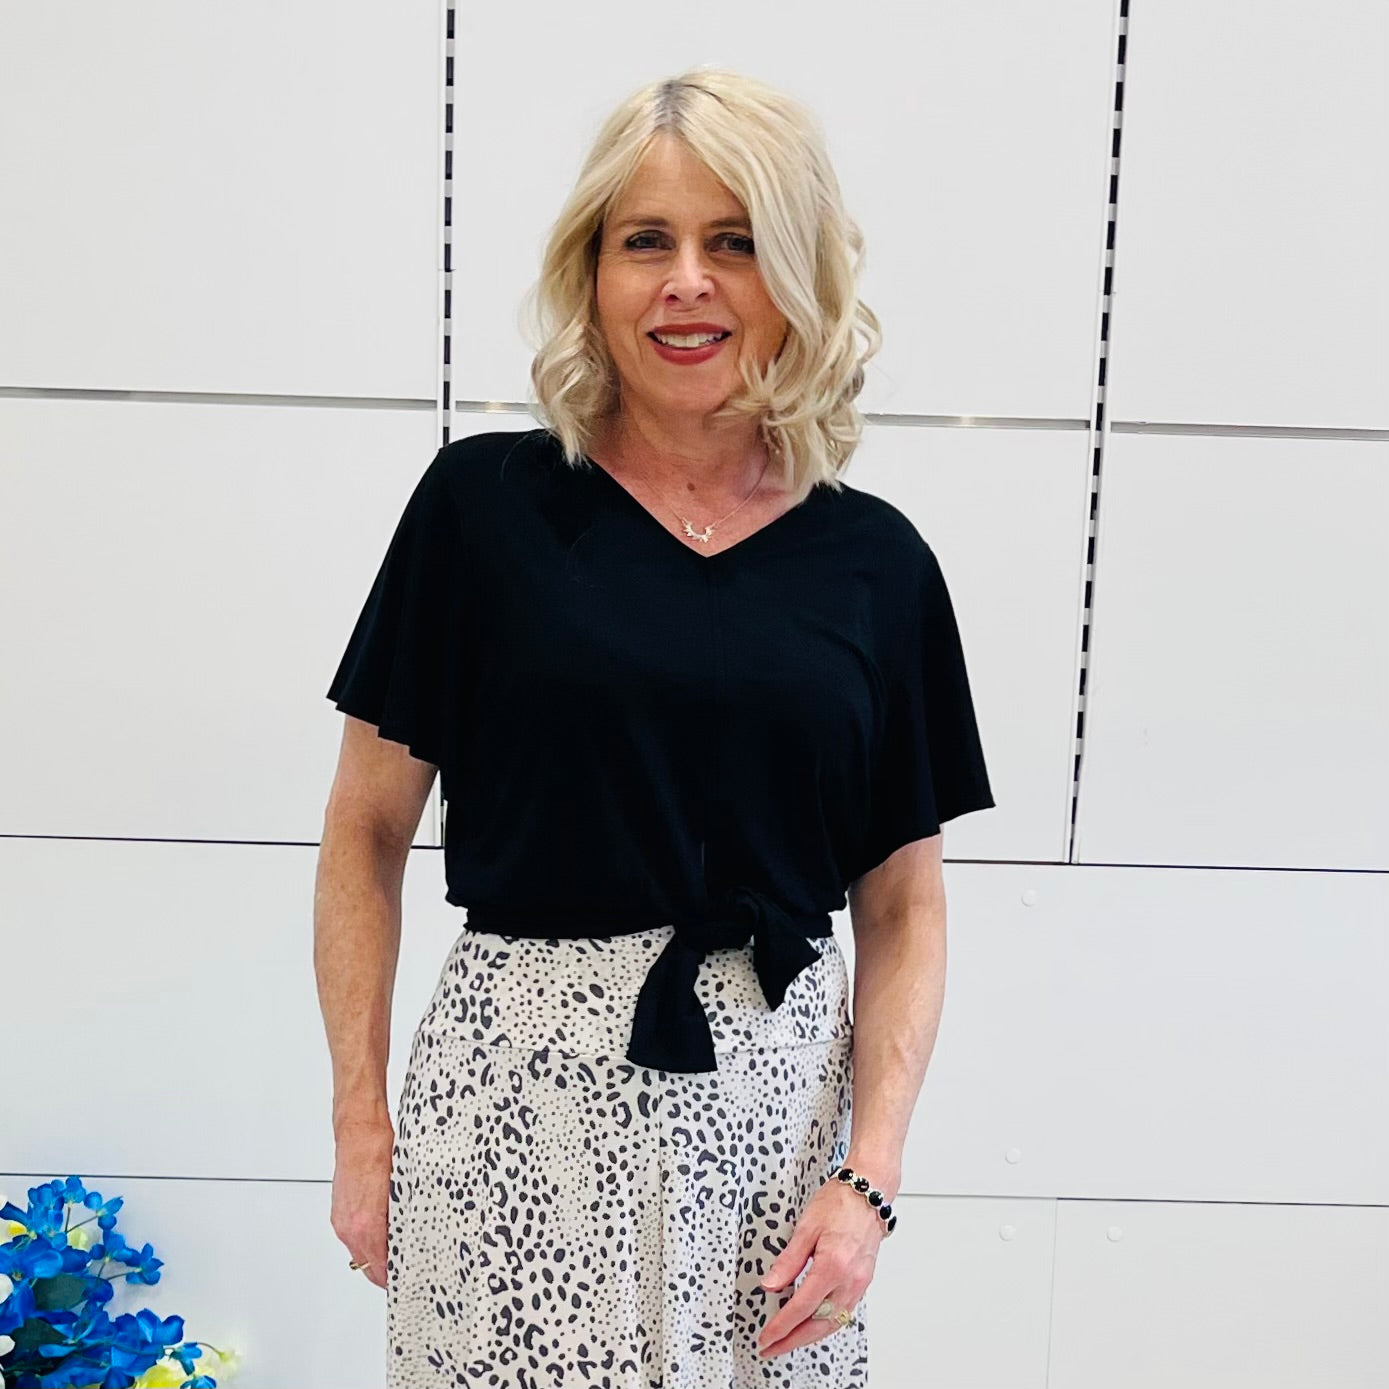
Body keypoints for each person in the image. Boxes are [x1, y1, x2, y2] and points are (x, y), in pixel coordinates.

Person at [315, 66, 994, 1389]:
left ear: (795, 274)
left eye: (732, 242)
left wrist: (872, 1176)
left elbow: (904, 902)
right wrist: (360, 1123)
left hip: (774, 1133)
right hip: (514, 1108)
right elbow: (364, 828)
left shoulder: (875, 566)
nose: (688, 280)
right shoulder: (482, 510)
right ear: (592, 273)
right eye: (647, 241)